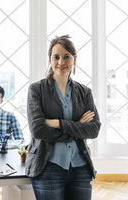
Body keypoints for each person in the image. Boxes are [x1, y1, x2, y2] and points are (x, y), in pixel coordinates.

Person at [26, 35, 101, 200]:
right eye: (56, 57)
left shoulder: (84, 92)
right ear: (50, 59)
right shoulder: (36, 90)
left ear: (74, 59)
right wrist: (78, 126)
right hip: (48, 167)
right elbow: (38, 130)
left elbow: (94, 129)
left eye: (67, 56)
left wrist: (57, 123)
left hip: (80, 167)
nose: (61, 62)